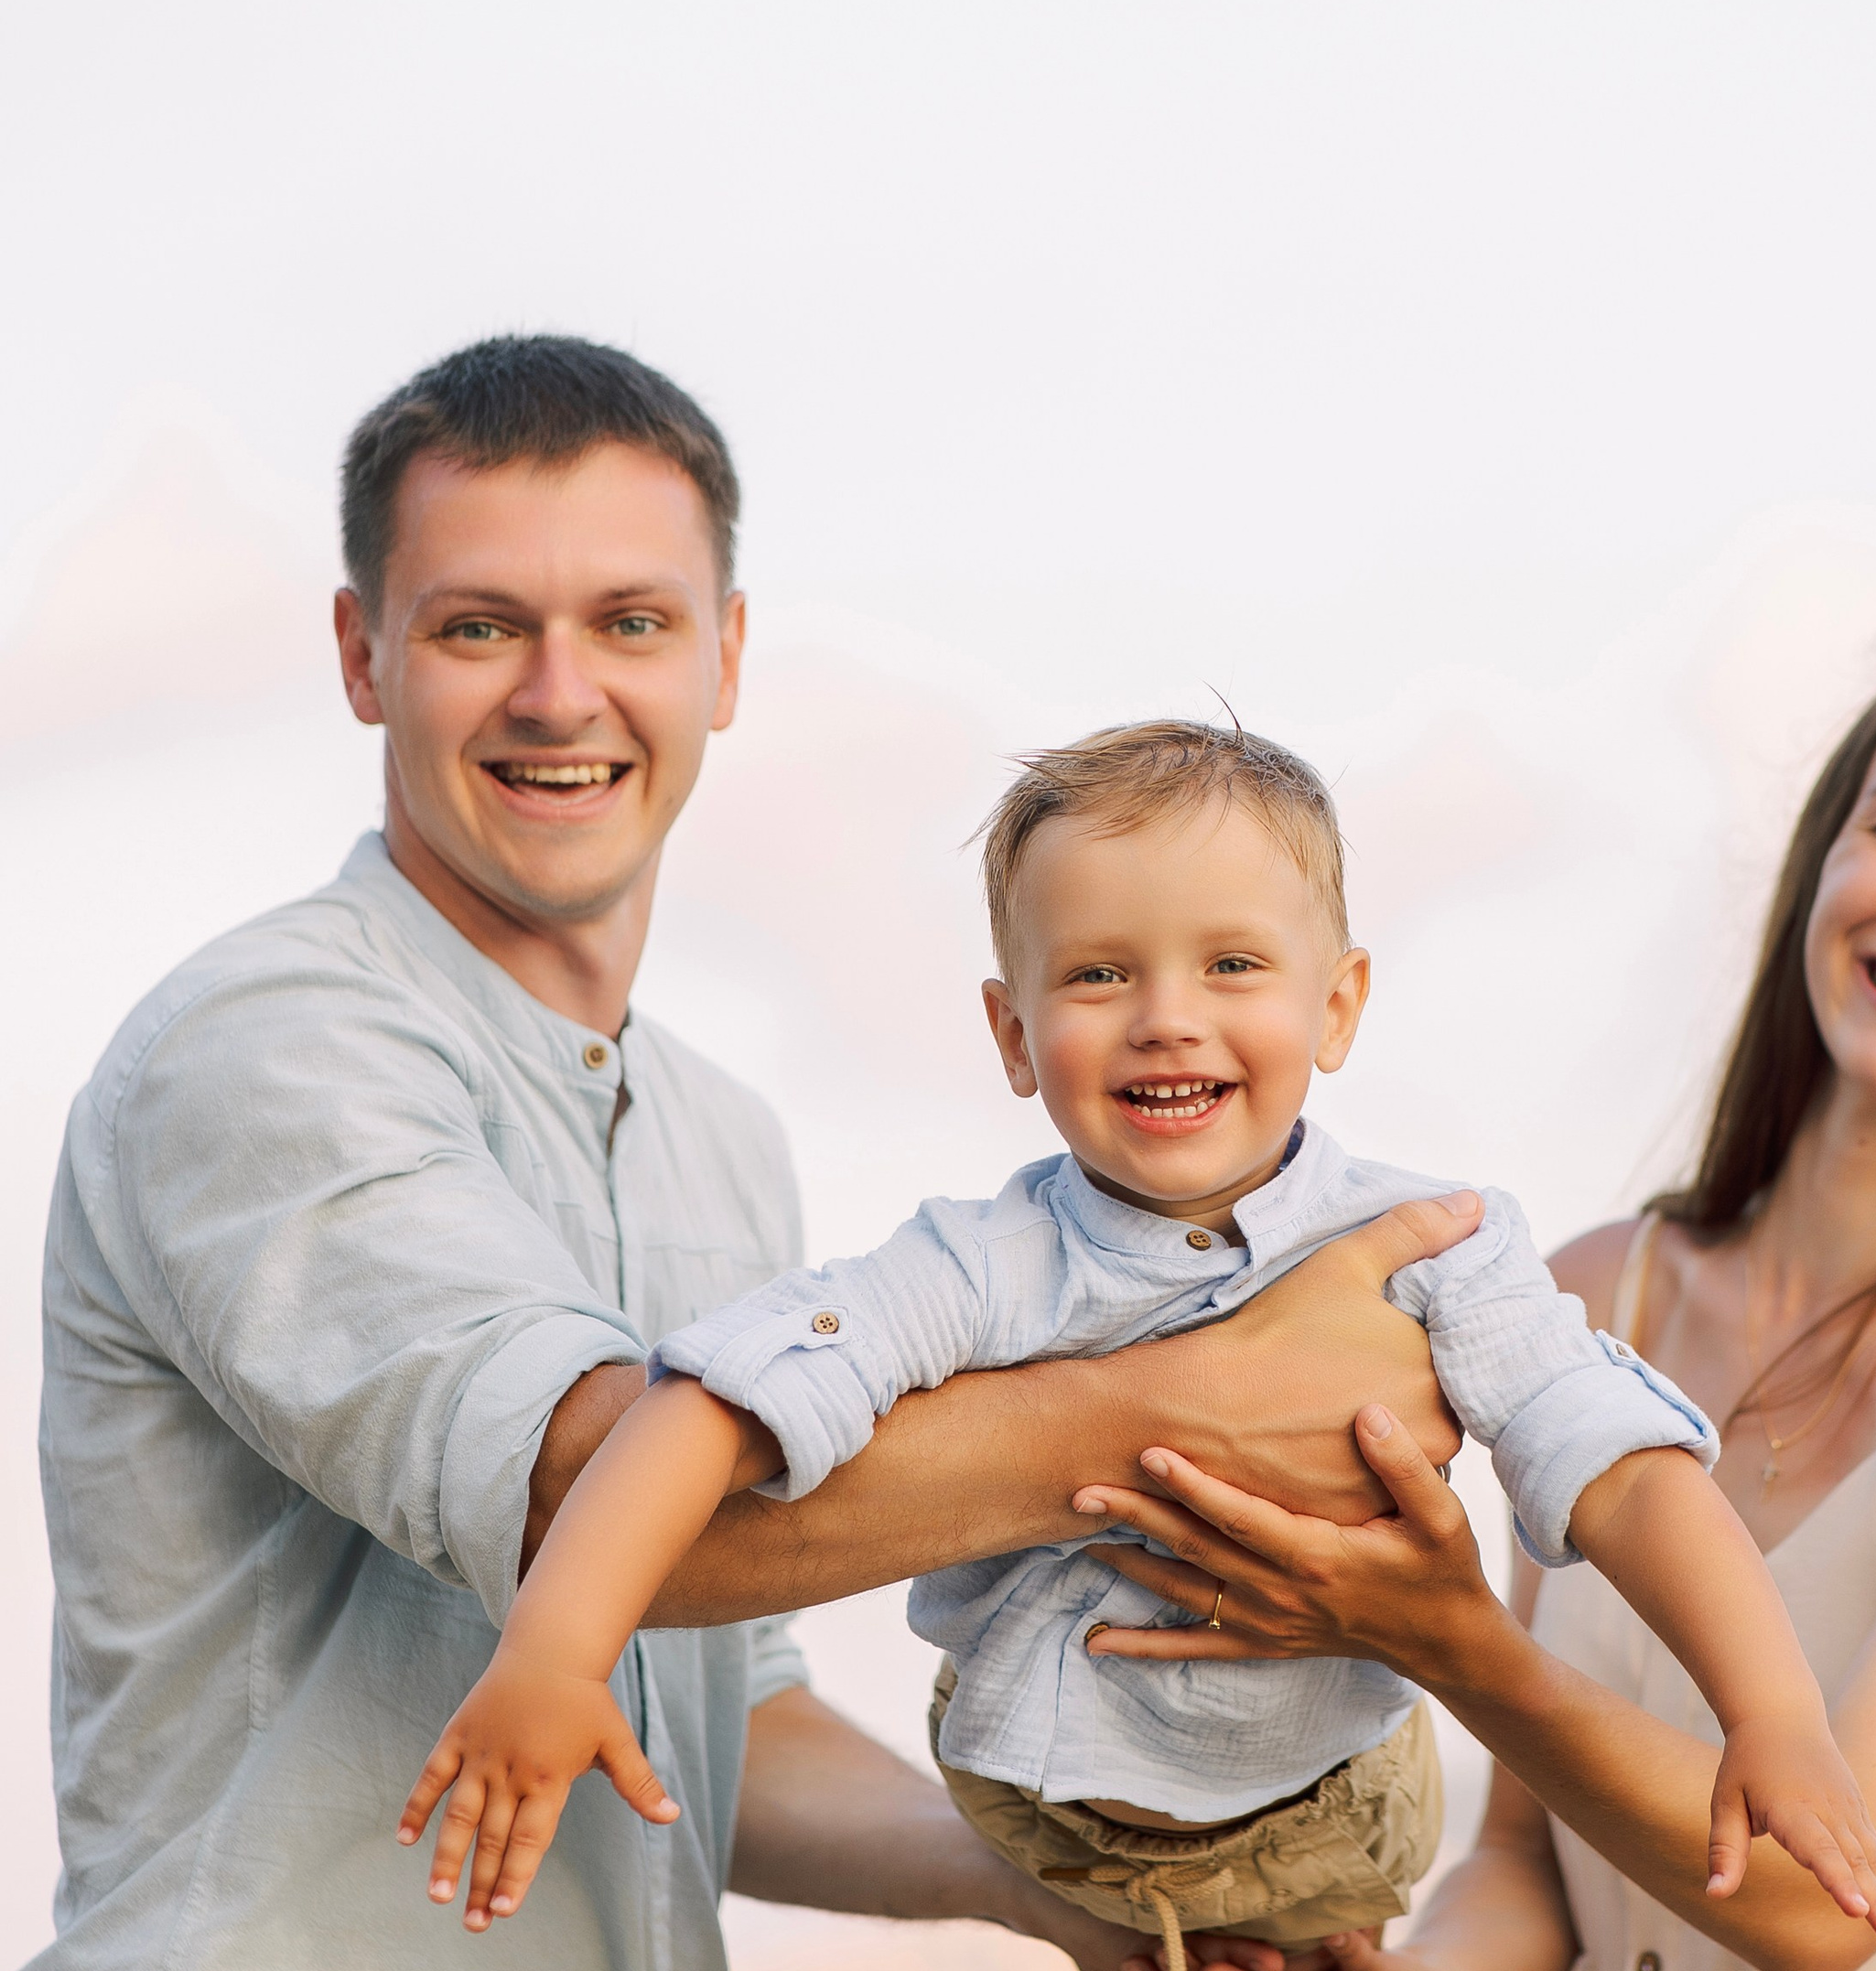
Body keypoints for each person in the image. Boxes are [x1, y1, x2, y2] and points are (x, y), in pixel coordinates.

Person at [35, 337, 1481, 1971]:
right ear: (366, 654)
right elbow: (594, 1499)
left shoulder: (722, 1135)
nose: (560, 694)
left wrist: (1067, 1891)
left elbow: (729, 1716)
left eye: (631, 624)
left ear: (724, 660)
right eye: (479, 625)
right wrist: (1198, 1399)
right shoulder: (263, 1046)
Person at [401, 721, 1876, 1968]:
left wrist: (1769, 1711)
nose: (1166, 1019)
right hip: (1064, 1806)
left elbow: (1622, 1467)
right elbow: (711, 1409)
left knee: (1337, 1908)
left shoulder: (1441, 1244)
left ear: (1340, 1006)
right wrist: (556, 1650)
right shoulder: (984, 1260)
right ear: (1011, 1036)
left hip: (1341, 1781)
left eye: (1233, 968)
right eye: (1100, 974)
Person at [1072, 639, 1876, 1971]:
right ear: (1822, 870)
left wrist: (1447, 1643)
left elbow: (1822, 1909)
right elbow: (1529, 1863)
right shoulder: (1581, 1293)